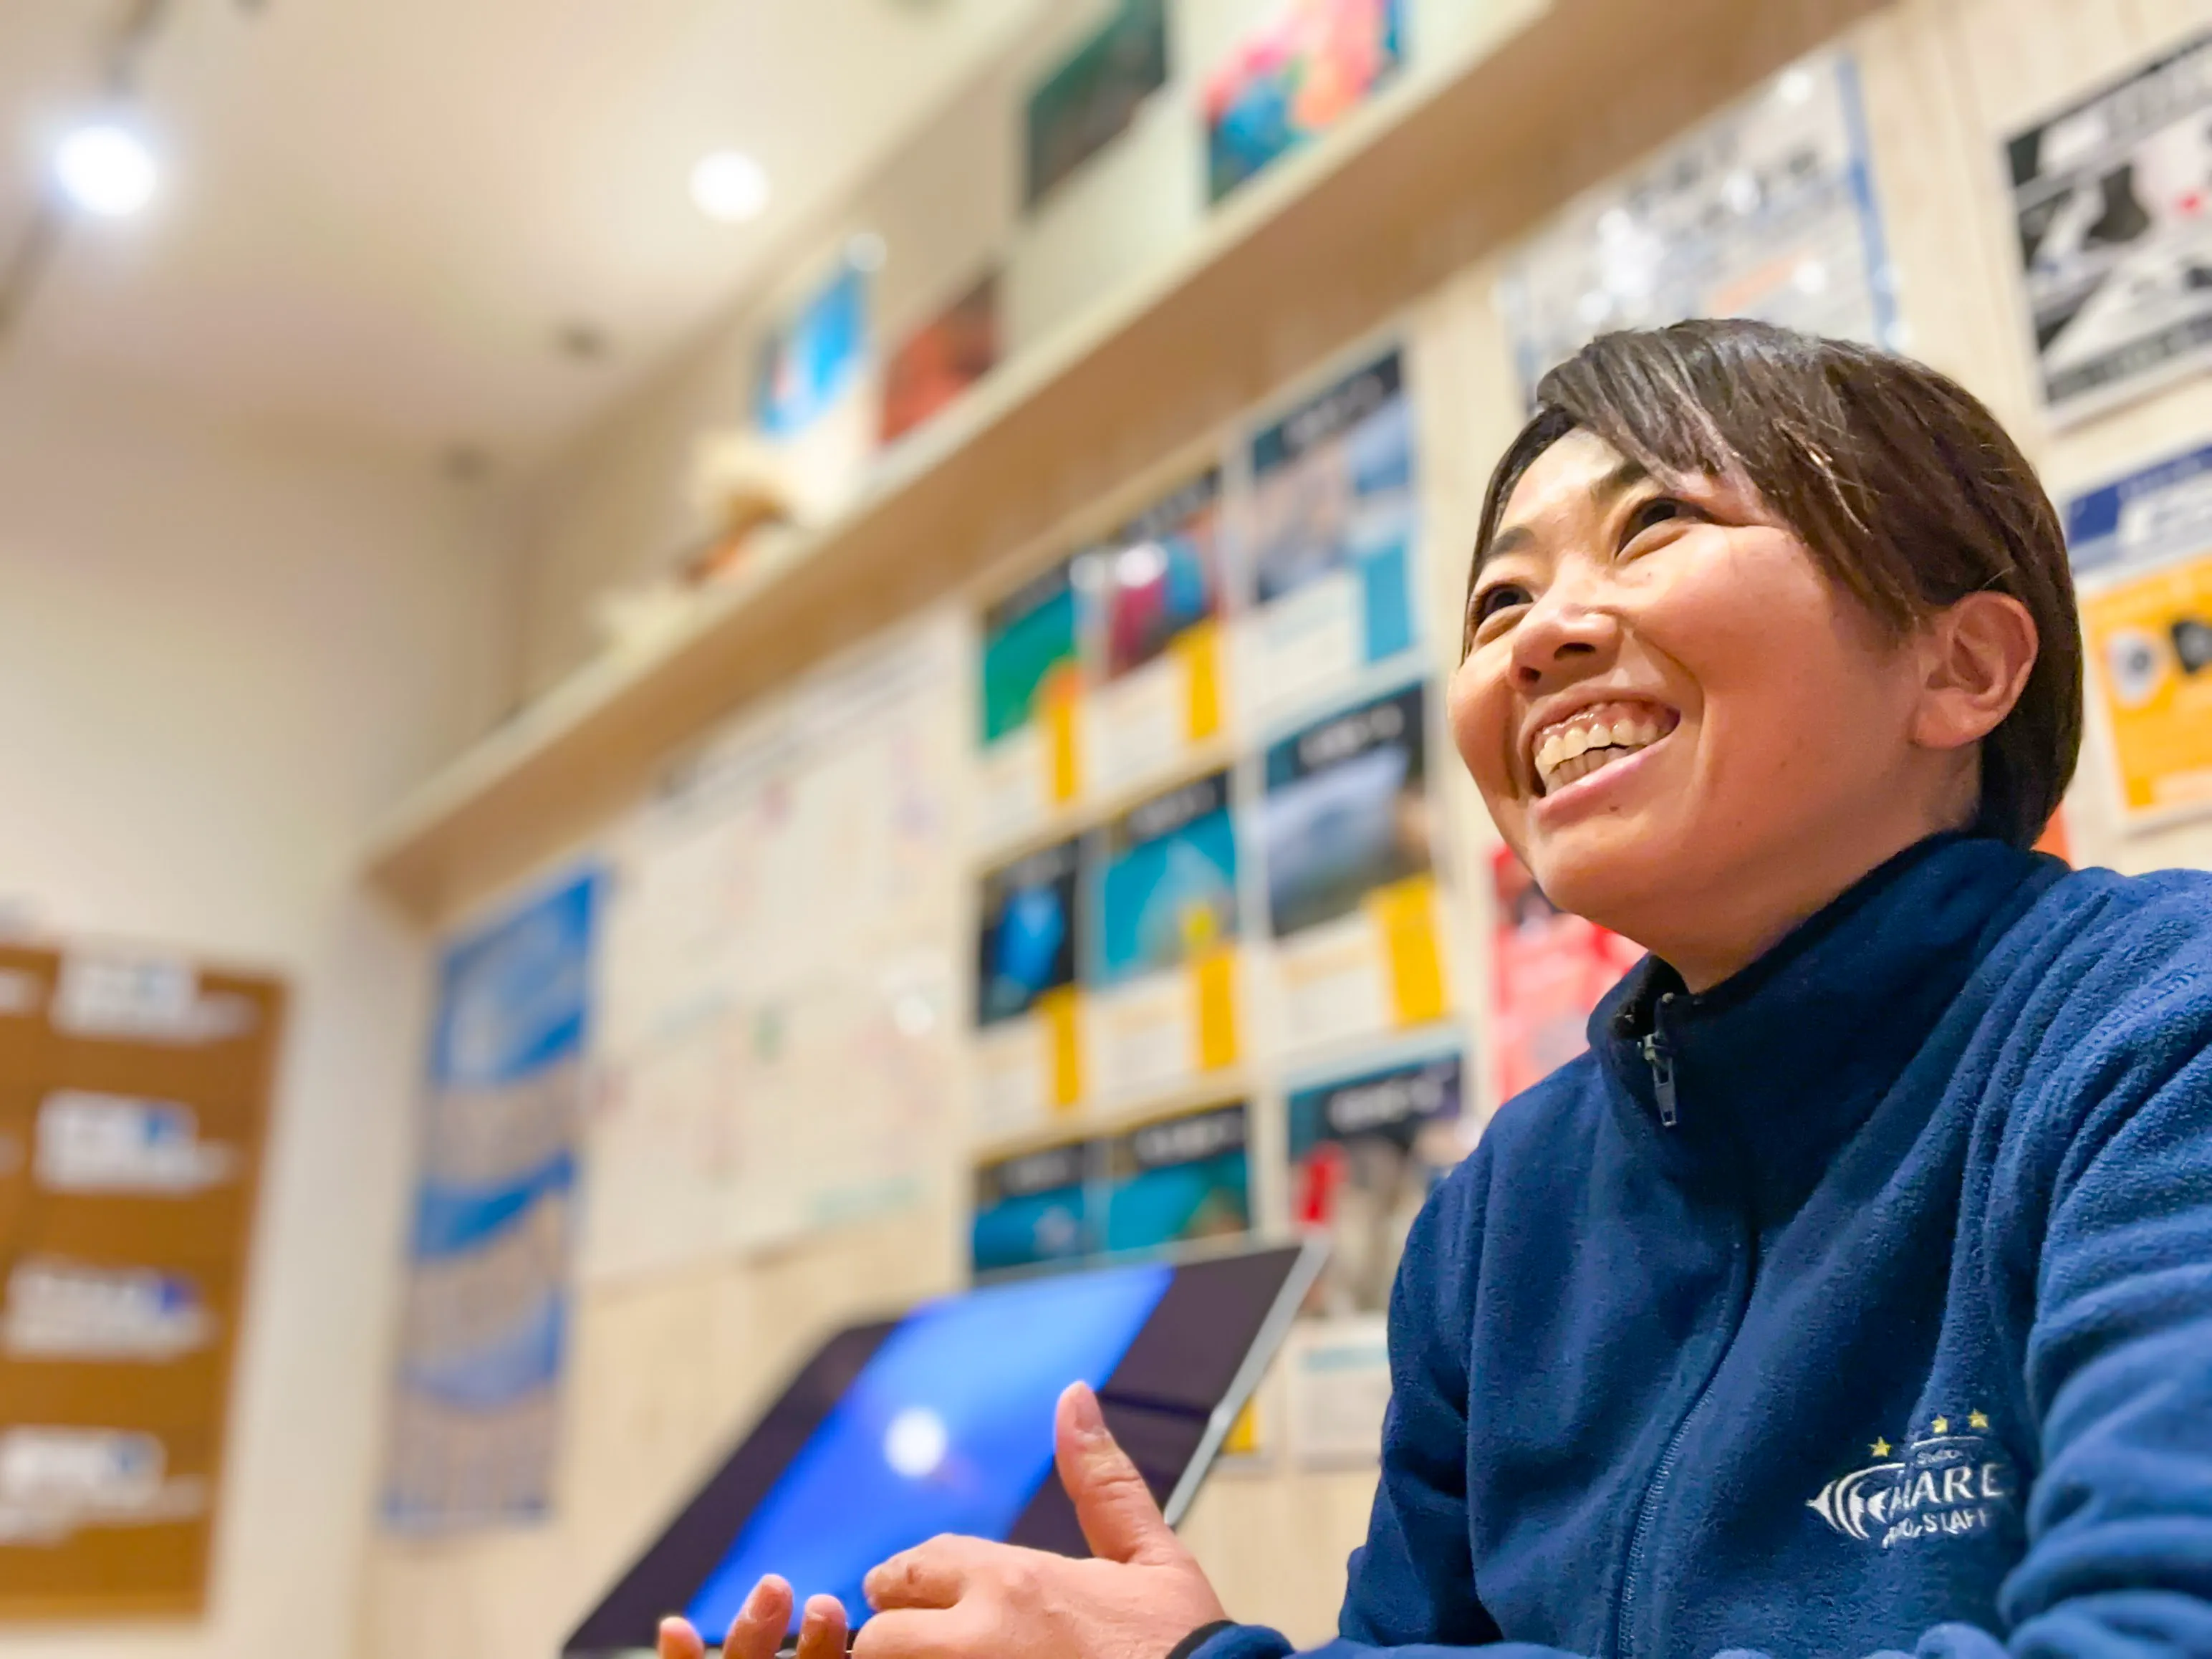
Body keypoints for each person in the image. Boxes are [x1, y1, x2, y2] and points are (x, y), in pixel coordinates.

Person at [657, 320, 2212, 1659]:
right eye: (1496, 602)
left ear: (1960, 669)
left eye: (1655, 526)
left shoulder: (2156, 1026)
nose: (1539, 638)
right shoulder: (1501, 1211)